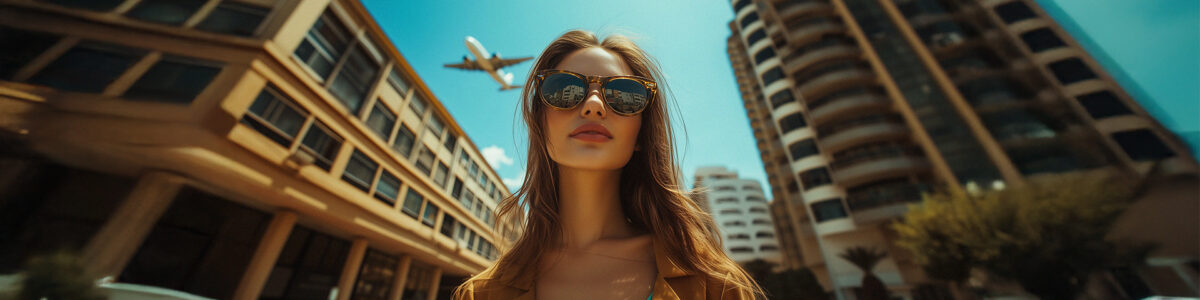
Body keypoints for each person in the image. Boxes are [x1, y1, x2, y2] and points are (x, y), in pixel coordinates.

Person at [454, 30, 760, 300]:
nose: (594, 105)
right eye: (564, 89)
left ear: (641, 133)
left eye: (625, 95)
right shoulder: (480, 293)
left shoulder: (716, 286)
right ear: (539, 124)